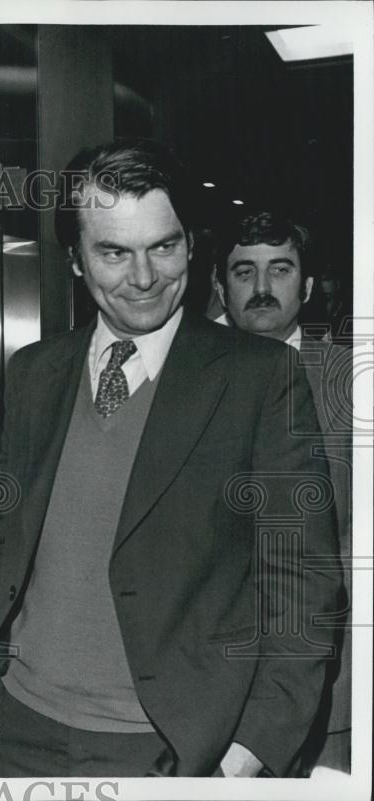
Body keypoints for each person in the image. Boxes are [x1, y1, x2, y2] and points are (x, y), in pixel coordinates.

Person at [0, 139, 341, 777]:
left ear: (193, 244)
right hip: (12, 730)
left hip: (171, 748)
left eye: (163, 247)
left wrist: (246, 755)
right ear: (77, 261)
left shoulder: (260, 378)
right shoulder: (34, 372)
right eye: (113, 252)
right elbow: (1, 543)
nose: (142, 278)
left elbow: (302, 585)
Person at [214, 211, 352, 774]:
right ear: (220, 288)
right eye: (245, 272)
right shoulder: (177, 382)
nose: (263, 288)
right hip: (206, 689)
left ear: (310, 286)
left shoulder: (354, 387)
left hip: (329, 695)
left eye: (281, 270)